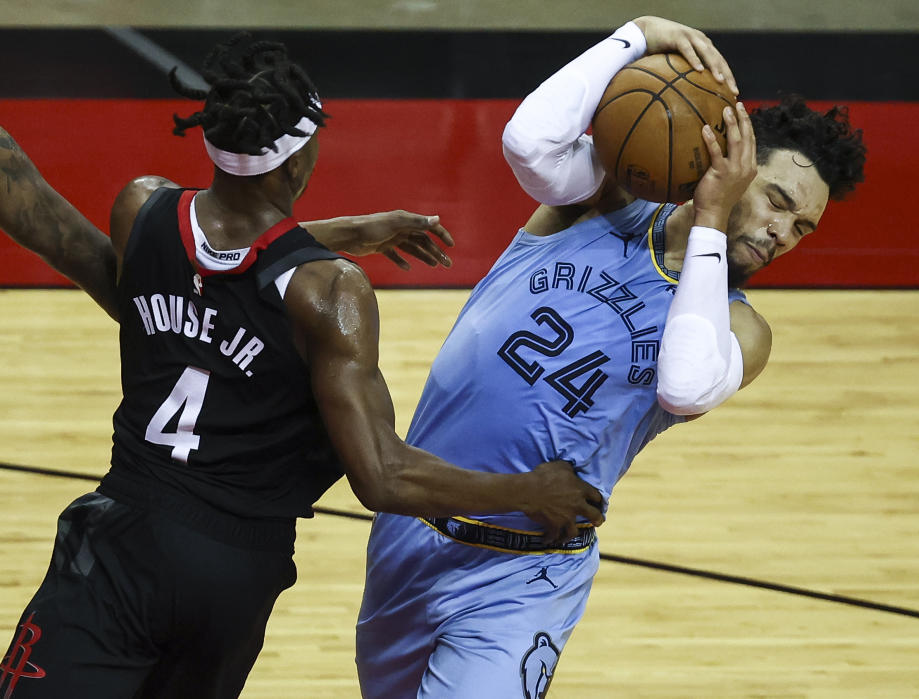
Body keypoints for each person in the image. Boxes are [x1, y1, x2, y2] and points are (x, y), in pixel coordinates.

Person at [0, 33, 604, 698]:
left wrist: (347, 229)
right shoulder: (329, 293)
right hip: (233, 570)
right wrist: (530, 490)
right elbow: (381, 474)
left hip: (121, 538)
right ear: (296, 163)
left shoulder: (141, 208)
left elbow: (200, 261)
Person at [355, 14, 866, 698]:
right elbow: (529, 143)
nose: (782, 233)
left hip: (523, 577)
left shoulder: (739, 330)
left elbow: (683, 386)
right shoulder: (602, 202)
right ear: (729, 162)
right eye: (777, 201)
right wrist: (636, 34)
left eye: (801, 227)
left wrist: (713, 219)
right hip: (410, 528)